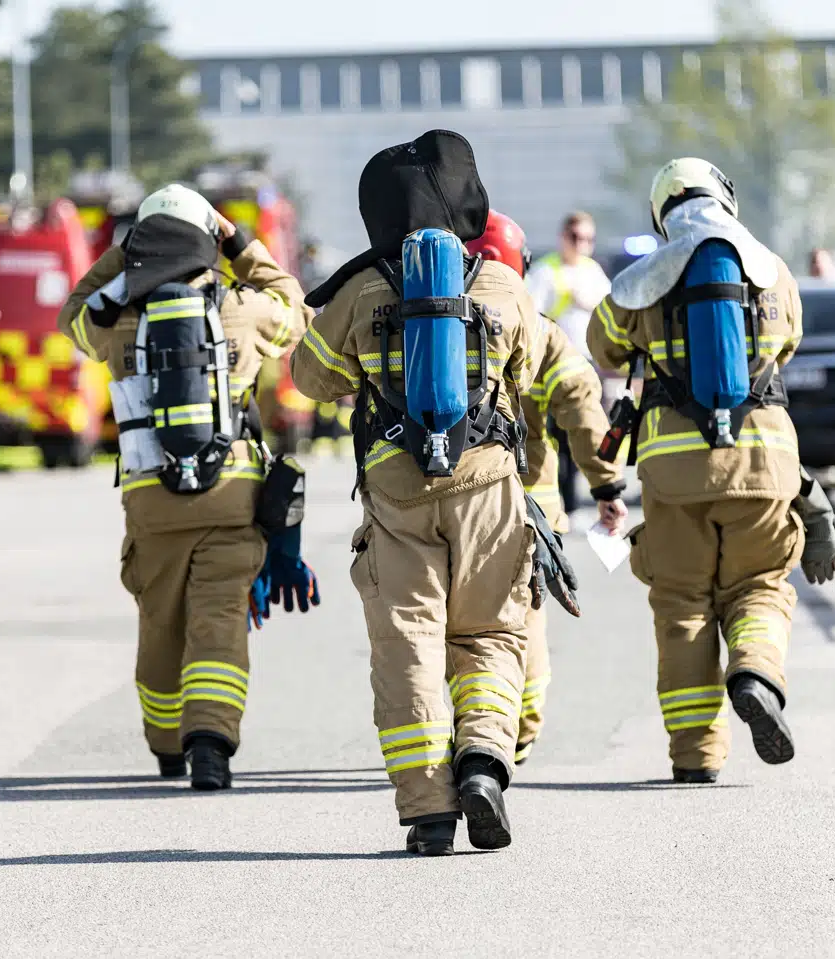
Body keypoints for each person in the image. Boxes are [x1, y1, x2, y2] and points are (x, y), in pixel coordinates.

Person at [292, 130, 544, 857]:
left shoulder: (360, 290)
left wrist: (362, 372)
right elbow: (530, 366)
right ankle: (486, 762)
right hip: (489, 483)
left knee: (407, 644)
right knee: (491, 631)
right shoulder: (500, 283)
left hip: (397, 492)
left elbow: (307, 379)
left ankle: (428, 811)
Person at [56, 184, 315, 791]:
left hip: (150, 501)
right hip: (233, 495)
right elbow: (297, 310)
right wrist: (241, 245)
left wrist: (124, 255)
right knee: (219, 620)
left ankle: (166, 744)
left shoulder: (114, 318)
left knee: (160, 622)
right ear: (206, 240)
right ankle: (209, 745)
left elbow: (72, 315)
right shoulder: (244, 311)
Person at [589, 157, 804, 785]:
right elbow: (789, 342)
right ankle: (756, 671)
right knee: (760, 584)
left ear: (662, 213)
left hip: (674, 471)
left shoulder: (638, 282)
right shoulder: (773, 272)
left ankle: (695, 757)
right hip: (764, 462)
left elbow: (602, 347)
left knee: (681, 603)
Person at [465, 210, 627, 763]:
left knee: (454, 630)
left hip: (448, 508)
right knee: (522, 622)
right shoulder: (540, 332)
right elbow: (585, 416)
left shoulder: (428, 334)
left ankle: (471, 731)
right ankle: (517, 731)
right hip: (529, 512)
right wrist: (607, 489)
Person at [526, 212, 612, 513]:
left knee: (583, 433)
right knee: (551, 436)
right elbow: (529, 316)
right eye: (576, 238)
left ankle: (574, 503)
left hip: (585, 364)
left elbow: (609, 315)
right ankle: (559, 502)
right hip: (550, 367)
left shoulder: (594, 272)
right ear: (564, 237)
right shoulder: (545, 271)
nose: (582, 244)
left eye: (589, 238)